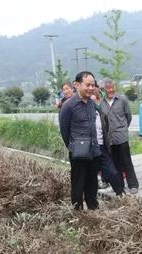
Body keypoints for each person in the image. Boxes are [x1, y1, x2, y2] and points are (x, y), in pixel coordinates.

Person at [59, 71, 101, 210]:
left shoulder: (91, 103)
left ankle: (93, 207)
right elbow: (64, 131)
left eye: (92, 85)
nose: (90, 88)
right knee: (78, 183)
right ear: (77, 85)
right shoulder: (69, 105)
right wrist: (73, 147)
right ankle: (77, 211)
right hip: (78, 152)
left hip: (93, 150)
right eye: (87, 85)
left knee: (92, 182)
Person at [100, 79, 139, 194]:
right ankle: (120, 186)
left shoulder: (122, 100)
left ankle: (133, 184)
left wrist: (123, 129)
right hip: (110, 139)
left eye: (112, 87)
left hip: (121, 137)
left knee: (127, 161)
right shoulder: (101, 103)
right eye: (108, 88)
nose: (111, 90)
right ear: (104, 89)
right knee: (115, 163)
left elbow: (128, 117)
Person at [91, 83, 125, 196]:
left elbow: (106, 129)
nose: (92, 103)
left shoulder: (100, 113)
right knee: (90, 174)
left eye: (94, 100)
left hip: (101, 147)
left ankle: (120, 192)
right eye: (90, 100)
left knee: (113, 172)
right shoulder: (82, 114)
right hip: (88, 148)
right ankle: (91, 196)